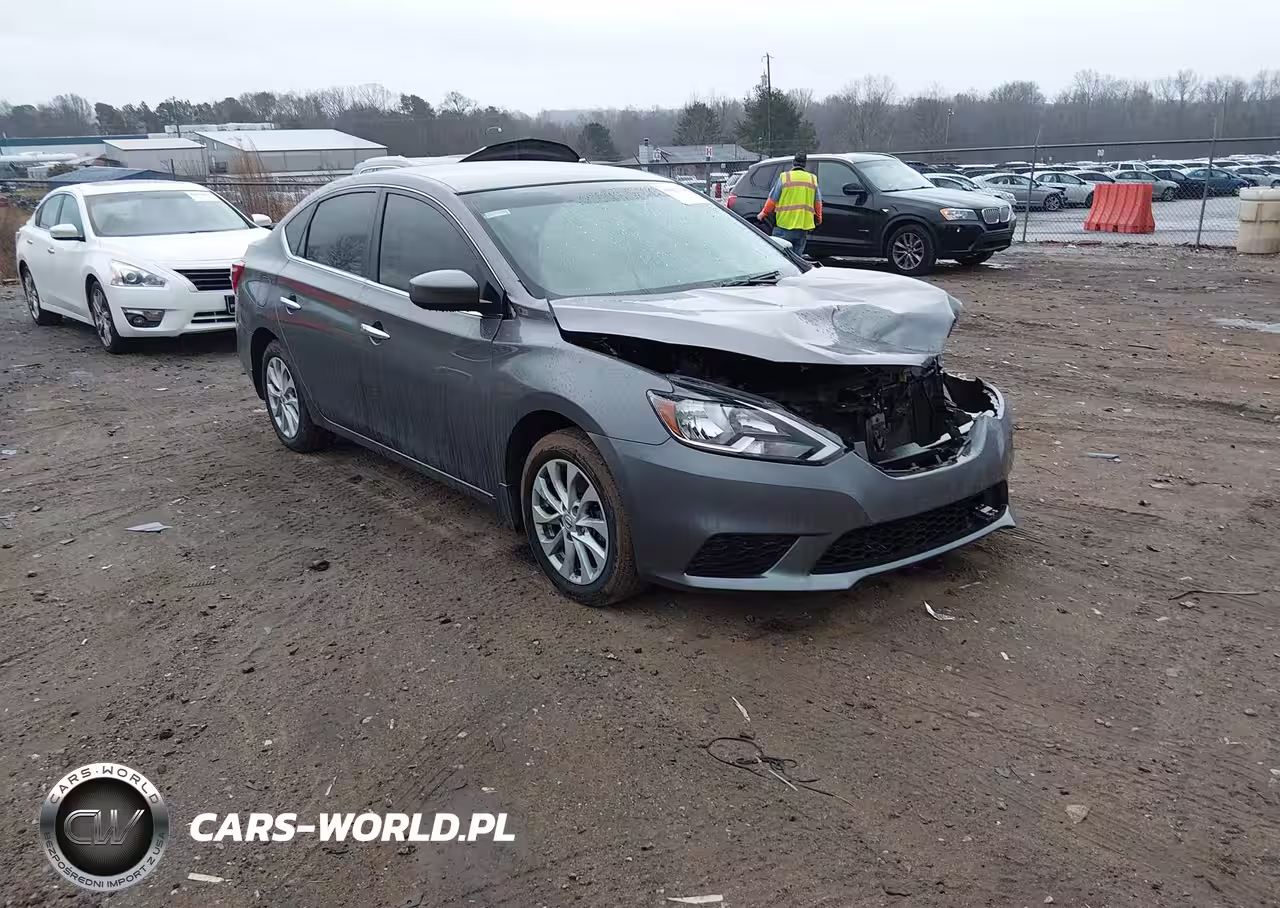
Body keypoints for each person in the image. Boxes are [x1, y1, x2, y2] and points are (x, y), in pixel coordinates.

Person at [756, 152, 822, 256]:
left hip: (784, 226)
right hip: (802, 228)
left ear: (793, 163)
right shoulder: (812, 179)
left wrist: (763, 214)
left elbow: (772, 199)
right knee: (796, 260)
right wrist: (818, 218)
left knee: (780, 257)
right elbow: (817, 202)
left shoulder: (784, 177)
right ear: (805, 164)